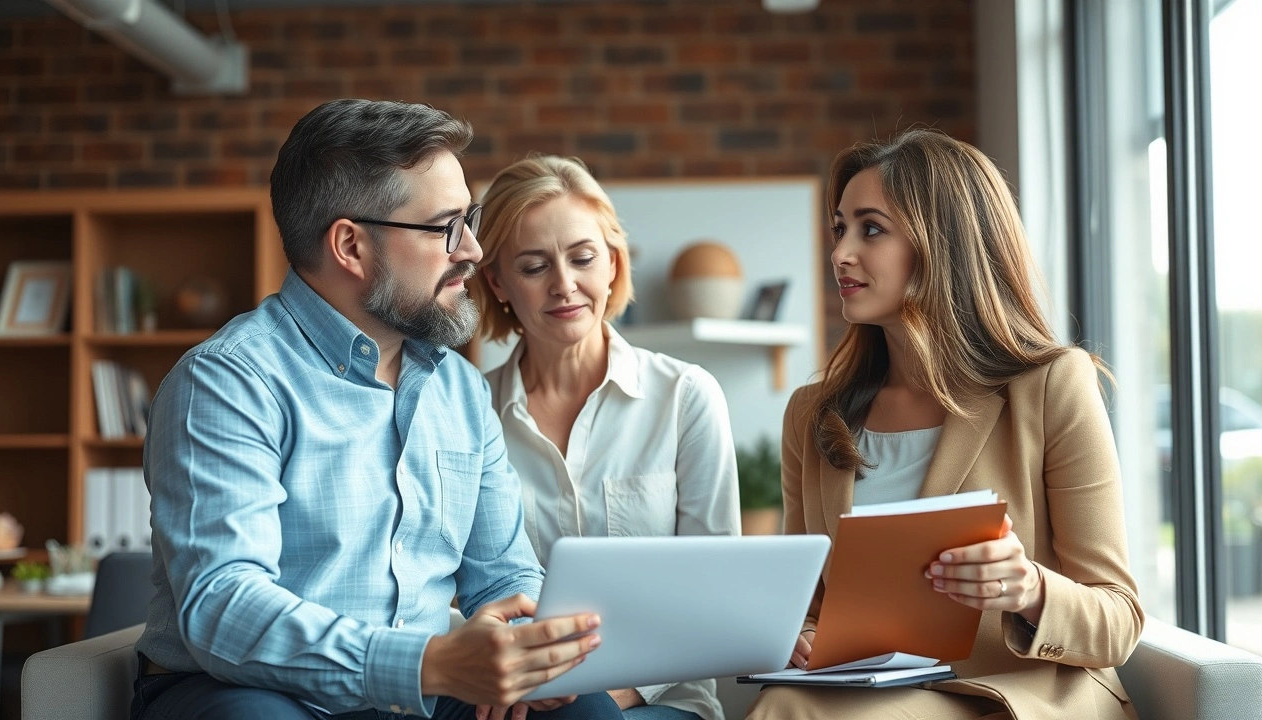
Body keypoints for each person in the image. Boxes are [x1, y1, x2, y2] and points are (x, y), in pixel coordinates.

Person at [132, 99, 625, 720]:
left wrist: (531, 652)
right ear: (351, 246)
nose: (473, 249)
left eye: (468, 220)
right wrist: (431, 665)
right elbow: (224, 608)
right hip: (247, 689)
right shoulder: (228, 381)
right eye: (447, 226)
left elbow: (501, 577)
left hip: (426, 688)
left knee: (585, 713)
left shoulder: (460, 390)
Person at [746, 129, 1144, 720]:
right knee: (785, 703)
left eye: (870, 228)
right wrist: (801, 637)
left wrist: (1028, 588)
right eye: (839, 228)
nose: (840, 252)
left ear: (943, 243)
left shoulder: (1053, 385)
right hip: (872, 696)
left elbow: (1119, 620)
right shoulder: (813, 413)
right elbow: (810, 607)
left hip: (1014, 697)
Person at [469, 154, 741, 720]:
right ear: (497, 281)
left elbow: (713, 594)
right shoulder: (468, 412)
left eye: (583, 258)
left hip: (663, 700)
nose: (564, 285)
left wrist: (609, 694)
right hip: (522, 700)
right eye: (533, 265)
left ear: (613, 263)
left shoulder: (686, 397)